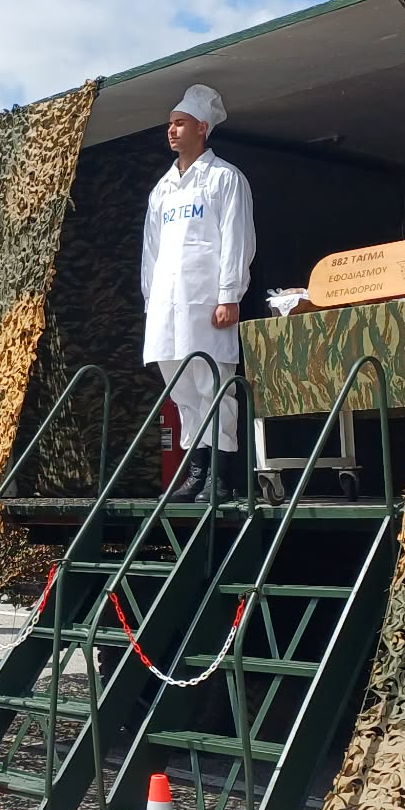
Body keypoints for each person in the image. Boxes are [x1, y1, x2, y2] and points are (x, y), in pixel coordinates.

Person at [142, 82, 256, 501]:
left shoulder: (225, 178)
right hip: (167, 305)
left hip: (206, 302)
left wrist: (229, 294)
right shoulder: (163, 189)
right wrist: (150, 300)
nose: (171, 131)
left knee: (214, 384)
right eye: (170, 124)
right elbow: (151, 251)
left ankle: (219, 476)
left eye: (180, 123)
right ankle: (196, 469)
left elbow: (236, 238)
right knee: (182, 389)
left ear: (202, 127)